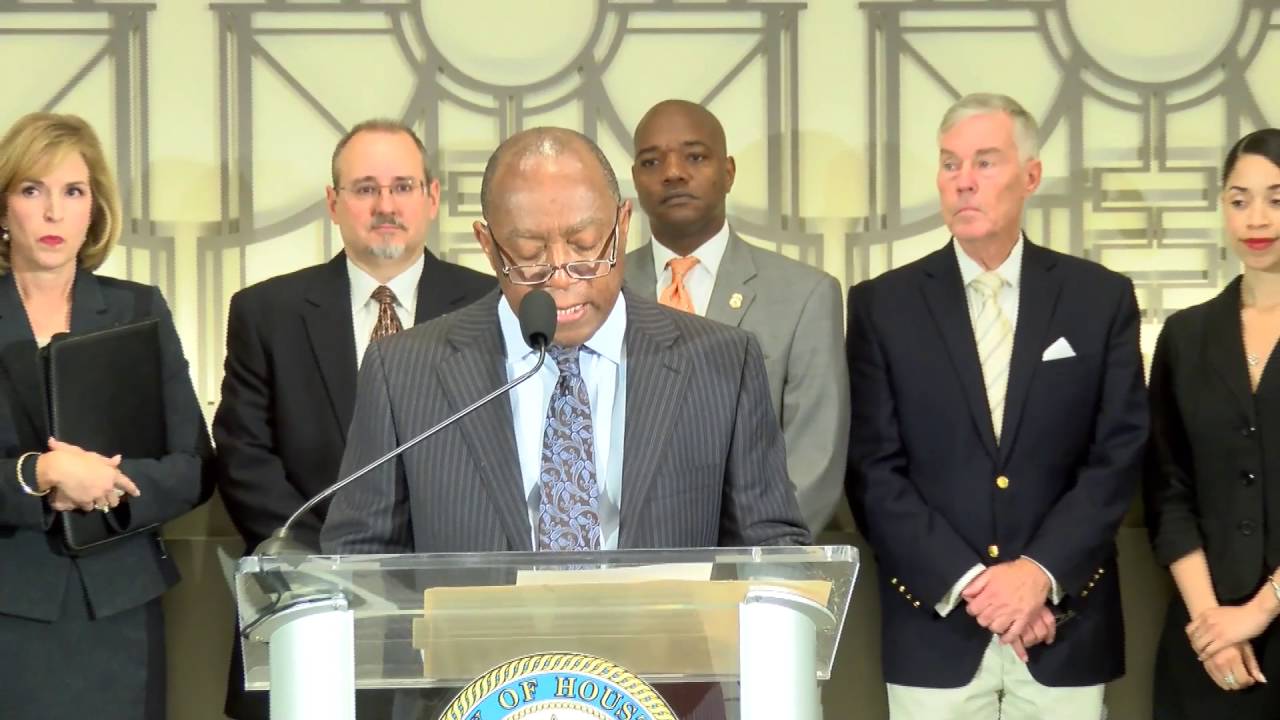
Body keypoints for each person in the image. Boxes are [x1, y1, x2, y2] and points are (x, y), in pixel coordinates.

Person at [320, 126, 809, 719]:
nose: (559, 275)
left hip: (665, 702)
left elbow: (772, 549)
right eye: (527, 253)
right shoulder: (407, 370)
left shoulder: (719, 361)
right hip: (470, 703)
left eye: (585, 246)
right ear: (487, 243)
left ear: (623, 223)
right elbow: (360, 556)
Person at [845, 93, 1148, 719]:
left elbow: (1117, 456)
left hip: (1063, 627)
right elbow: (873, 471)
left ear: (1030, 176)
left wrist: (1038, 574)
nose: (963, 182)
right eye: (950, 164)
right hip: (936, 628)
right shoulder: (884, 306)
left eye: (985, 163)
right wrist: (976, 587)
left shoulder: (1099, 299)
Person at [212, 118, 494, 719]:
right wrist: (341, 569)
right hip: (309, 611)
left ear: (433, 198)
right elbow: (244, 460)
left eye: (402, 187)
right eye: (365, 189)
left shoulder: (492, 307)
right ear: (334, 204)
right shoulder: (267, 311)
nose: (385, 205)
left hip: (457, 618)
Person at [0, 112, 213, 719]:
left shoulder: (136, 310)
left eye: (73, 192)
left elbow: (193, 466)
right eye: (31, 190)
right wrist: (38, 476)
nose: (52, 213)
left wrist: (108, 489)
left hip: (119, 608)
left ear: (94, 208)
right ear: (3, 208)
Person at [624, 99, 848, 534]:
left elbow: (813, 460)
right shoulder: (598, 294)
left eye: (694, 156)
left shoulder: (804, 295)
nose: (673, 172)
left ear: (727, 172)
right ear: (636, 179)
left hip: (752, 568)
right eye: (652, 161)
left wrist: (748, 564)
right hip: (622, 567)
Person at [1145, 127, 1280, 718]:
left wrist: (1258, 611)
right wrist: (1211, 624)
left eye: (1277, 197)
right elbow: (1167, 489)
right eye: (1238, 198)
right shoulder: (1186, 335)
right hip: (1206, 641)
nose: (1257, 218)